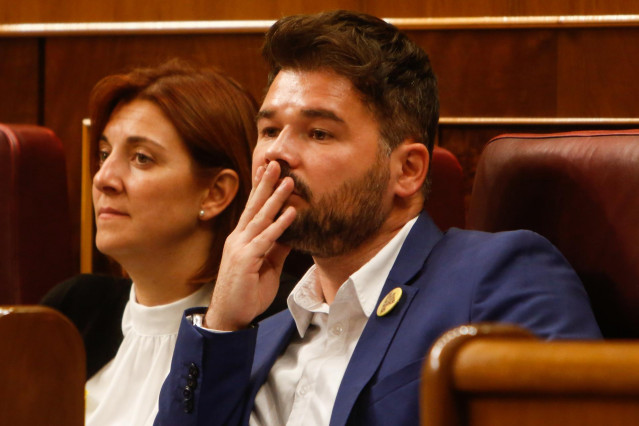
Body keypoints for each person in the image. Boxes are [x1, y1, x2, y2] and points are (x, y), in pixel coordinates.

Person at [155, 11, 602, 426]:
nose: (277, 153)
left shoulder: (499, 275)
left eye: (319, 132)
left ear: (407, 170)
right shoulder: (250, 337)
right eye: (269, 130)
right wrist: (222, 325)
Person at [41, 60, 300, 425]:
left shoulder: (278, 325)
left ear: (215, 193)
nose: (103, 178)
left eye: (141, 158)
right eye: (103, 154)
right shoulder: (73, 311)